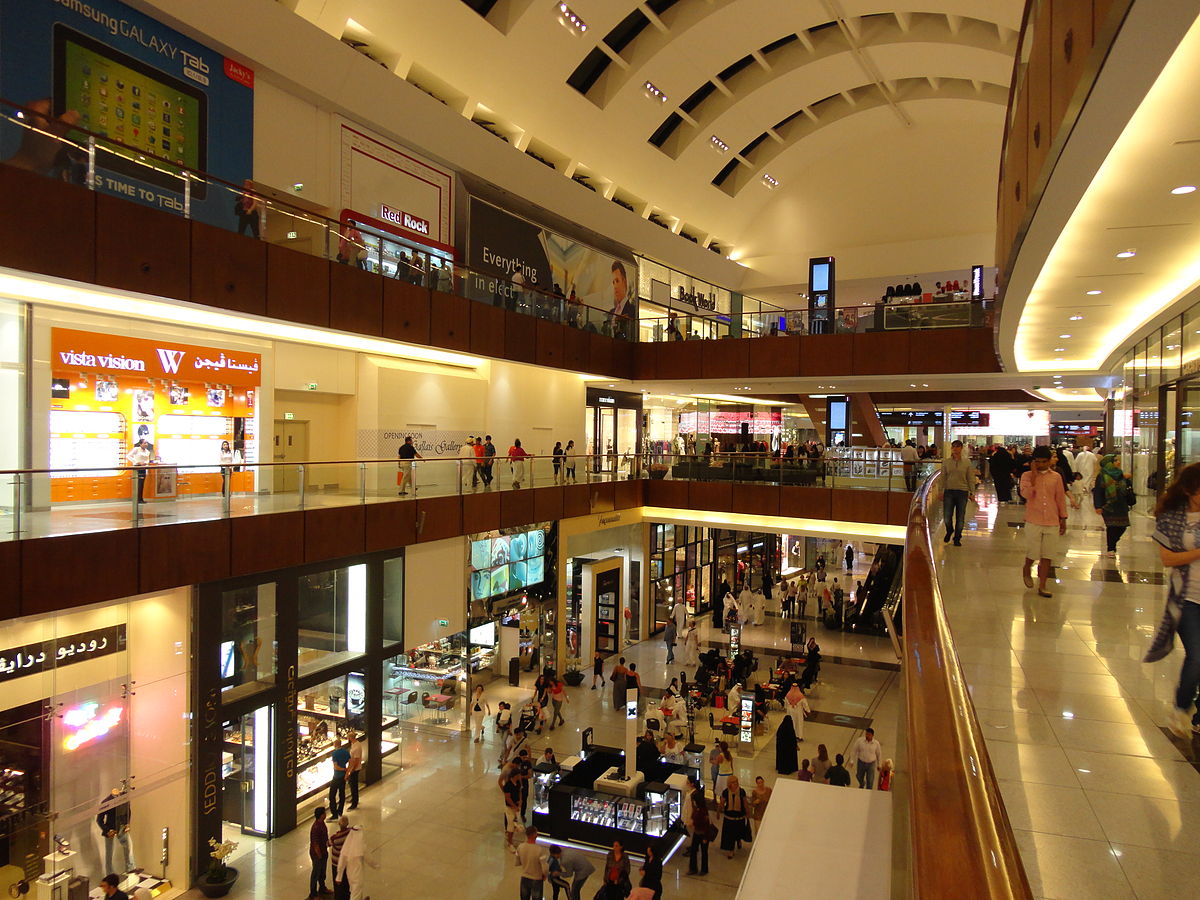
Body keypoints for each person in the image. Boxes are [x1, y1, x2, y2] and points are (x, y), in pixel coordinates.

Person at [1148, 463, 1200, 738]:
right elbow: (1168, 559)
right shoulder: (1171, 517)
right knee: (1197, 656)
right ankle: (1181, 708)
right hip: (1188, 598)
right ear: (1190, 490)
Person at [1020, 445, 1068, 598]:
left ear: (1049, 461)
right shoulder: (1027, 476)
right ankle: (1027, 568)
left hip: (1052, 520)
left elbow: (1060, 498)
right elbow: (1026, 494)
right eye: (1038, 462)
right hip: (1033, 519)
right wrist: (1034, 476)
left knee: (1047, 554)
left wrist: (1063, 518)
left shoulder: (1056, 477)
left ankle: (1043, 585)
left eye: (1044, 461)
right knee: (1033, 552)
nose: (1041, 464)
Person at [1093, 454, 1133, 556]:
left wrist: (1127, 480)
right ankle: (1111, 548)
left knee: (1122, 526)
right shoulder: (1102, 476)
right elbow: (1098, 492)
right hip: (1108, 505)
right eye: (1115, 461)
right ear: (1109, 463)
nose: (1118, 462)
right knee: (1111, 527)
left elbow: (1126, 489)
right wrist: (1098, 506)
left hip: (1121, 505)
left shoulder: (1120, 474)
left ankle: (1113, 543)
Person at [940, 439, 976, 546]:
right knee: (947, 516)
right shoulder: (946, 462)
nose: (955, 449)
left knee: (960, 517)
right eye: (953, 447)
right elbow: (943, 477)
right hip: (949, 491)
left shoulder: (967, 462)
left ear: (961, 448)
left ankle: (957, 537)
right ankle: (949, 530)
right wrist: (941, 491)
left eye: (957, 447)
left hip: (962, 492)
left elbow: (970, 478)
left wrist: (972, 492)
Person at [97, 789, 133, 876]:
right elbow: (99, 820)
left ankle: (130, 869)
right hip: (111, 829)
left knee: (128, 847)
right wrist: (107, 830)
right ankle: (109, 874)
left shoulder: (124, 798)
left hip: (121, 827)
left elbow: (128, 811)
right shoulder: (106, 802)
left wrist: (127, 824)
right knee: (109, 853)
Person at [718, 775, 750, 859]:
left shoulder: (741, 791)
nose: (735, 784)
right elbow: (722, 803)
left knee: (739, 832)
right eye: (733, 782)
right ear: (729, 784)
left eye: (736, 782)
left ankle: (738, 840)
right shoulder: (725, 792)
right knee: (730, 835)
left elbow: (745, 803)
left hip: (739, 817)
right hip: (729, 817)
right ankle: (731, 850)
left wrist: (748, 813)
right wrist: (718, 812)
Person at [686, 776, 711, 876]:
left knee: (703, 852)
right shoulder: (698, 810)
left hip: (703, 833)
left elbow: (705, 823)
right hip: (697, 831)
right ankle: (694, 868)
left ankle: (703, 869)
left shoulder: (702, 812)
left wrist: (705, 837)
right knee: (694, 850)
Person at [516, 825, 550, 900]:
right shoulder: (539, 850)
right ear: (534, 835)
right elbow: (545, 868)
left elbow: (517, 862)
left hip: (524, 877)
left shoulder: (520, 847)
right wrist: (545, 875)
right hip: (536, 879)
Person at [308, 806, 331, 899]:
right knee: (316, 872)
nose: (325, 814)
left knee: (322, 872)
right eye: (324, 813)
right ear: (321, 815)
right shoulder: (316, 827)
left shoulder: (322, 824)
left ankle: (322, 888)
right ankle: (313, 893)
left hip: (323, 851)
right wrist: (319, 855)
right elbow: (315, 843)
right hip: (317, 854)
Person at [329, 815, 352, 900]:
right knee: (346, 882)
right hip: (347, 862)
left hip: (337, 863)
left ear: (339, 824)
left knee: (338, 885)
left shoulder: (336, 837)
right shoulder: (350, 833)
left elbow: (328, 843)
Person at [328, 737, 350, 816]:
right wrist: (347, 771)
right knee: (342, 793)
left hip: (337, 776)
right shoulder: (346, 752)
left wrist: (343, 769)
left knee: (332, 795)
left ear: (335, 744)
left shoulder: (334, 754)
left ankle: (334, 814)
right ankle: (340, 811)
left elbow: (336, 767)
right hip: (343, 777)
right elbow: (350, 761)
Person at [126, 439, 151, 504]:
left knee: (142, 483)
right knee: (138, 483)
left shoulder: (147, 451)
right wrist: (137, 462)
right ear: (140, 444)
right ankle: (136, 499)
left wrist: (145, 463)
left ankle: (140, 498)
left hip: (144, 467)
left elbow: (147, 459)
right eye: (144, 443)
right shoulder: (136, 449)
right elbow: (128, 456)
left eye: (146, 443)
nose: (146, 444)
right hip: (137, 467)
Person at [346, 732, 364, 810]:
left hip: (355, 769)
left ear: (350, 738)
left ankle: (354, 803)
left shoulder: (356, 747)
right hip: (353, 767)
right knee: (352, 784)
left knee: (354, 786)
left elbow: (356, 760)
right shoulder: (355, 744)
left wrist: (352, 770)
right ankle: (353, 799)